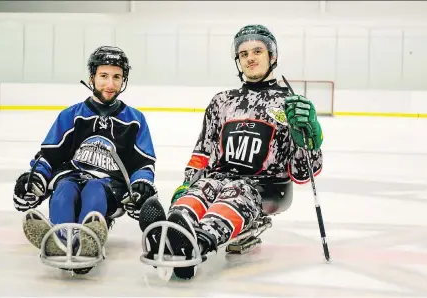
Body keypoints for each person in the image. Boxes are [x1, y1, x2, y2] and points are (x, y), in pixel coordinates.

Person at [138, 24, 324, 280]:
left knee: (235, 193)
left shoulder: (289, 104)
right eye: (244, 54)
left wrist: (309, 140)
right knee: (201, 191)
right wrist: (186, 184)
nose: (250, 58)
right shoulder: (221, 101)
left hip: (265, 186)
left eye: (257, 51)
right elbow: (203, 151)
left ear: (273, 56)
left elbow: (303, 174)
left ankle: (197, 243)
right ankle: (171, 229)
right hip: (218, 177)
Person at [13, 46, 158, 274]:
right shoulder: (71, 115)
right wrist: (34, 178)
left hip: (109, 186)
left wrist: (142, 184)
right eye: (103, 76)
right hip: (72, 176)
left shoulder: (135, 120)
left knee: (94, 189)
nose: (110, 84)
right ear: (92, 78)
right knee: (63, 190)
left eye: (116, 77)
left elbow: (143, 164)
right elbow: (48, 156)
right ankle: (61, 240)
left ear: (124, 80)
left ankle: (87, 241)